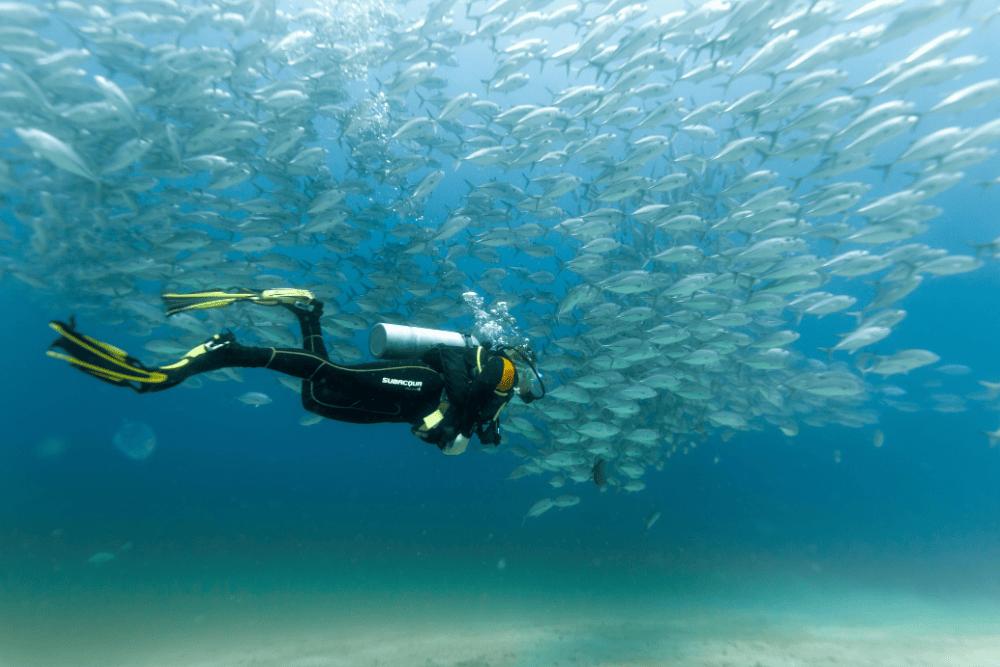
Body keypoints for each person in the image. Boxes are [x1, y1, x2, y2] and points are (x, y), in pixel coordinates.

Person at [46, 288, 543, 455]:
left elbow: (476, 412)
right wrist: (454, 422)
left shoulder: (500, 390)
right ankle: (229, 351)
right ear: (520, 360)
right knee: (337, 373)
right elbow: (459, 380)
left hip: (405, 407)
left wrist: (480, 429)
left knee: (319, 397)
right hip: (422, 383)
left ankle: (308, 314)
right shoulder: (501, 367)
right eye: (527, 377)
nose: (525, 385)